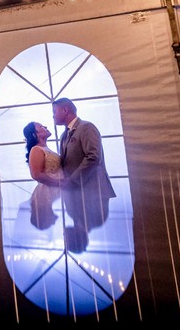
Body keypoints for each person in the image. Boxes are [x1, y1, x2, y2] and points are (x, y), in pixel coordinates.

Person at [52, 97, 116, 251]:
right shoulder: (63, 136)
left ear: (65, 110)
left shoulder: (87, 128)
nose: (53, 116)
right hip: (77, 195)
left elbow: (94, 157)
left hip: (93, 194)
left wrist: (72, 181)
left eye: (54, 112)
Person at [23, 121, 63, 229]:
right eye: (40, 126)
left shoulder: (46, 149)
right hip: (48, 191)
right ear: (34, 134)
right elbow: (36, 174)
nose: (45, 126)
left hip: (58, 189)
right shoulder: (36, 150)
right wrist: (59, 183)